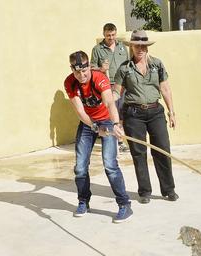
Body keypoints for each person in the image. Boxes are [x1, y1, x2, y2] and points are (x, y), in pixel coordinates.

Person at [63, 50, 132, 222]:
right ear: (72, 70)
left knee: (110, 164)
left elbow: (110, 102)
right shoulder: (70, 83)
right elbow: (79, 110)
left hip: (107, 120)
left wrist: (115, 124)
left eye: (84, 71)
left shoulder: (99, 78)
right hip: (88, 122)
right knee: (80, 167)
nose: (82, 75)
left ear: (89, 67)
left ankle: (124, 204)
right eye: (77, 72)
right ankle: (83, 201)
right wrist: (94, 127)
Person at [114, 30, 178, 204]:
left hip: (155, 112)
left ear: (147, 47)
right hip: (133, 114)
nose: (140, 49)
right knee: (138, 152)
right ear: (132, 47)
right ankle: (145, 191)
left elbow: (165, 88)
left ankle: (168, 189)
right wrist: (113, 118)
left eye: (143, 45)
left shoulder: (157, 65)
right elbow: (116, 94)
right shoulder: (124, 68)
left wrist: (171, 112)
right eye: (136, 45)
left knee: (162, 149)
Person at [90, 22, 129, 153]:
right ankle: (116, 141)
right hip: (107, 85)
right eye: (108, 35)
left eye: (113, 35)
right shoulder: (97, 49)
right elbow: (92, 68)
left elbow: (128, 65)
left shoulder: (122, 48)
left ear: (115, 34)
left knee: (122, 112)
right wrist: (102, 69)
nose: (111, 38)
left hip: (123, 84)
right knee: (112, 113)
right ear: (104, 34)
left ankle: (120, 140)